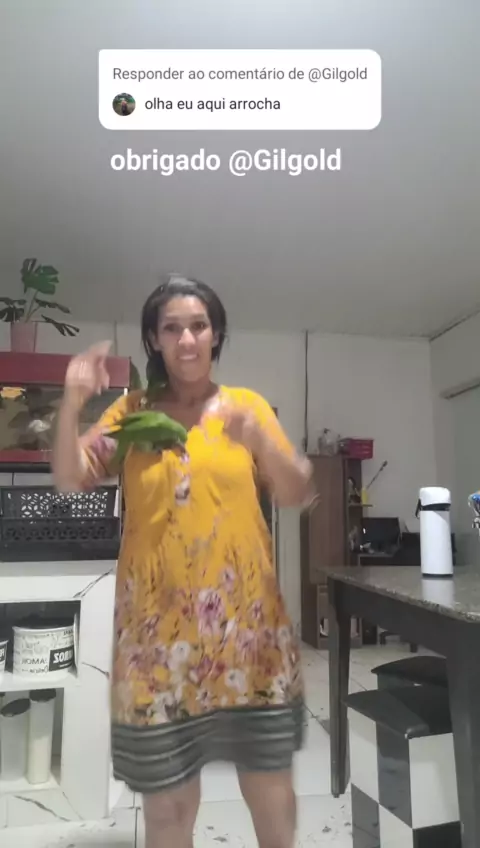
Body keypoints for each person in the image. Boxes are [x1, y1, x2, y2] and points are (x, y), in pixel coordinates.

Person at [52, 275, 314, 848]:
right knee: (168, 809)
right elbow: (72, 477)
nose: (187, 339)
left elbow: (296, 490)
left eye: (198, 325)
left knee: (271, 796)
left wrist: (262, 440)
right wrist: (72, 404)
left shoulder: (245, 407)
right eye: (172, 328)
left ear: (216, 334)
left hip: (249, 638)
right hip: (155, 643)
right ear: (155, 339)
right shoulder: (132, 413)